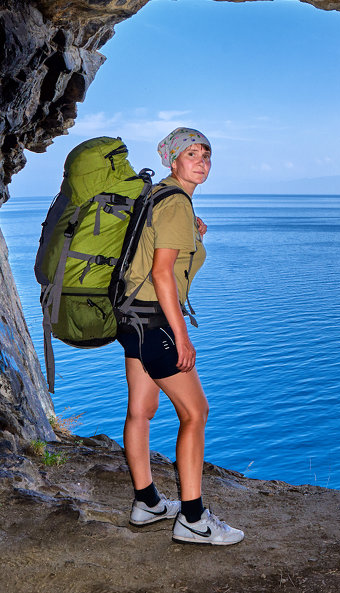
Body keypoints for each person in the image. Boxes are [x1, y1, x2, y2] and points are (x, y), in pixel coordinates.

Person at [116, 127, 244, 546]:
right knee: (195, 413)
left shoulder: (161, 197)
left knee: (142, 408)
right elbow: (162, 273)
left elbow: (151, 255)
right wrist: (180, 334)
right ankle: (192, 518)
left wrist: (195, 235)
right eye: (192, 153)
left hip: (129, 317)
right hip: (155, 321)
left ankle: (147, 502)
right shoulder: (174, 205)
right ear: (174, 161)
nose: (202, 160)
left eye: (207, 153)